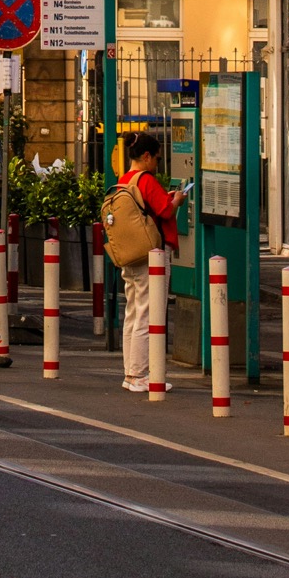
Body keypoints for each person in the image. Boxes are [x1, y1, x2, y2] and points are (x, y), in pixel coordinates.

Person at [116, 130, 182, 392]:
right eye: (156, 158)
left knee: (133, 312)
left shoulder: (124, 180)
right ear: (145, 156)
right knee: (149, 313)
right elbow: (164, 210)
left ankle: (129, 373)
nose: (157, 163)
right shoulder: (146, 180)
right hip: (152, 254)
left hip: (131, 253)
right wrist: (176, 200)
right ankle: (140, 374)